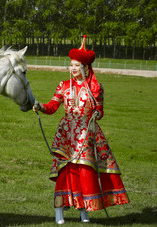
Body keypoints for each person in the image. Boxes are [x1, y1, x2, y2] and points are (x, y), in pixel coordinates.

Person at [33, 35, 129, 224]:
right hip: (67, 134)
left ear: (85, 67)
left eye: (76, 65)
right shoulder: (64, 86)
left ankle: (84, 210)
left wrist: (96, 115)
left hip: (87, 133)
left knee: (85, 171)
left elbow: (100, 111)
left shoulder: (95, 88)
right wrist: (40, 106)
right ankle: (59, 211)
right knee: (65, 171)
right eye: (71, 65)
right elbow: (53, 106)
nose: (73, 68)